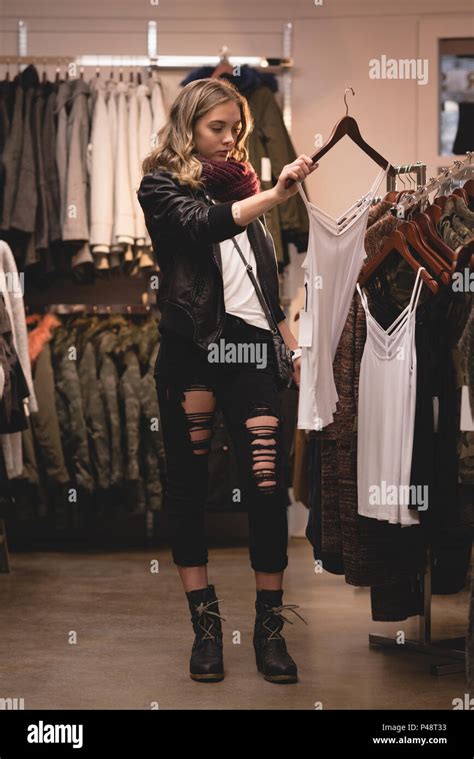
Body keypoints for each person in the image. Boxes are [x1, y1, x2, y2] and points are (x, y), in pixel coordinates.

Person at [137, 77, 318, 684]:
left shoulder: (245, 186)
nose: (229, 139)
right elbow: (207, 224)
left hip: (249, 350)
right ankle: (206, 632)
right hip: (191, 351)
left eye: (235, 128)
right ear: (187, 126)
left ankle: (269, 633)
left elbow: (261, 286)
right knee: (189, 490)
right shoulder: (160, 186)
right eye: (217, 128)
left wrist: (292, 346)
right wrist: (275, 192)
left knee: (265, 488)